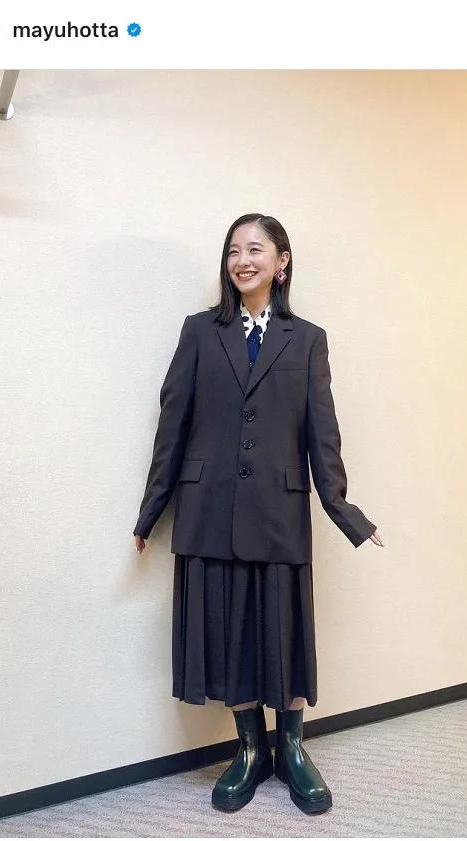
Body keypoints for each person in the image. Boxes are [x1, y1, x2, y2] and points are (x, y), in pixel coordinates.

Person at [133, 213, 383, 815]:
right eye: (233, 251)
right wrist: (150, 511)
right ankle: (250, 750)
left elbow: (322, 432)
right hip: (208, 509)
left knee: (284, 631)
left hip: (279, 509)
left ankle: (291, 749)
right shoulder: (199, 331)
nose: (242, 261)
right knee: (227, 632)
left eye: (254, 250)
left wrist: (343, 509)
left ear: (281, 261)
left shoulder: (308, 339)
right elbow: (173, 424)